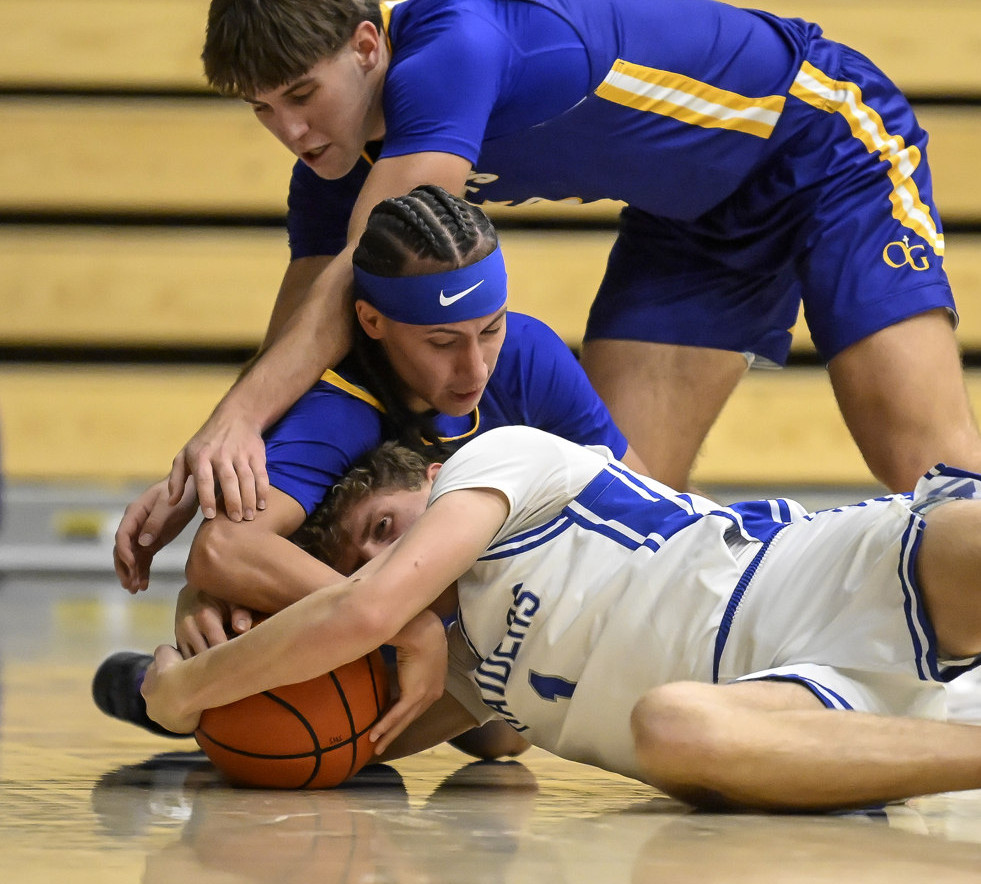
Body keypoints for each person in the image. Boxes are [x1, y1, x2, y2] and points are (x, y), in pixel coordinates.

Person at [135, 0, 981, 777]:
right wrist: (214, 495)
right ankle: (581, 708)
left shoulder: (445, 48)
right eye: (264, 113)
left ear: (365, 43)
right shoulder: (333, 159)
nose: (293, 132)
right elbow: (299, 335)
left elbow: (355, 278)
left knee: (931, 454)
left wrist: (222, 435)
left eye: (303, 95)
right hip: (696, 212)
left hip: (819, 134)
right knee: (611, 515)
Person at [141, 413, 981, 822]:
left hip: (831, 575)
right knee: (667, 730)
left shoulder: (505, 459)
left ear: (427, 489)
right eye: (376, 545)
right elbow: (354, 739)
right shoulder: (465, 683)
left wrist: (184, 693)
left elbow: (364, 605)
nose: (399, 558)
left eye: (392, 524)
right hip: (800, 715)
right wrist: (227, 682)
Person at [95, 185, 640, 753]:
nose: (474, 367)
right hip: (355, 623)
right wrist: (400, 623)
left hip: (463, 613)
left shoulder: (530, 355)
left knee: (501, 738)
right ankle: (171, 692)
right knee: (301, 723)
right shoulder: (338, 405)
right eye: (441, 342)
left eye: (491, 329)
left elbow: (651, 491)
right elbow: (222, 551)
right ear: (373, 322)